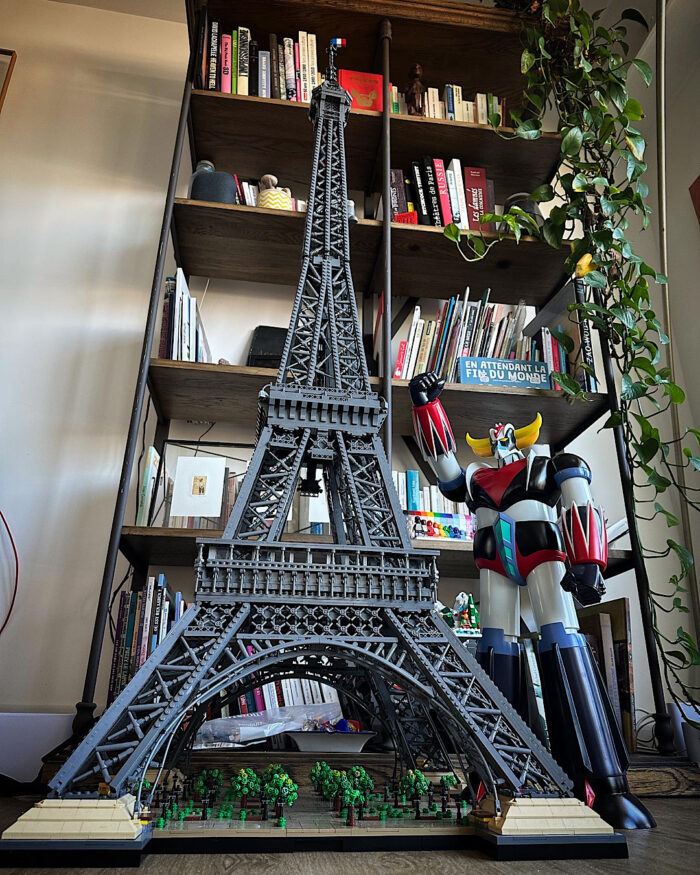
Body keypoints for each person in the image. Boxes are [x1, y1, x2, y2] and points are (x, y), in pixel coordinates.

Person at [409, 370, 654, 829]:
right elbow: (444, 464)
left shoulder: (547, 467)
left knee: (562, 642)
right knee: (494, 651)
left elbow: (579, 501)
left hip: (543, 554)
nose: (500, 442)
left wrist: (588, 561)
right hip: (494, 563)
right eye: (494, 439)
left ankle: (604, 783)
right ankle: (492, 776)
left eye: (508, 437)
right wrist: (426, 407)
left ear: (522, 441)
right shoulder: (478, 479)